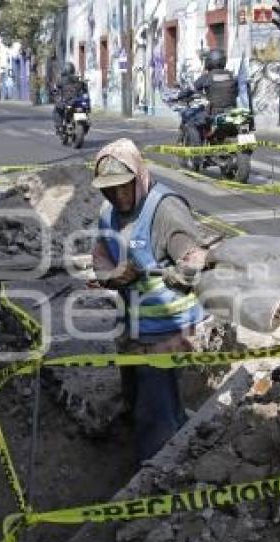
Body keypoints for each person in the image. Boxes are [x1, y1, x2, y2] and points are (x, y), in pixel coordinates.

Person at [90, 138, 213, 462]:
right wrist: (112, 274)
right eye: (110, 189)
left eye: (123, 187)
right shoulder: (108, 213)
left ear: (138, 177)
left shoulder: (165, 208)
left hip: (169, 332)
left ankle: (156, 475)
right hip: (133, 330)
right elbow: (100, 258)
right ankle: (182, 446)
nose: (118, 196)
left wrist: (183, 270)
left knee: (153, 413)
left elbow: (194, 256)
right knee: (139, 400)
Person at [176, 48, 239, 141]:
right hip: (231, 113)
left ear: (209, 62)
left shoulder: (207, 77)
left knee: (190, 118)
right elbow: (236, 92)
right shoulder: (232, 76)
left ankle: (196, 150)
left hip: (213, 114)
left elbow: (191, 89)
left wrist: (180, 95)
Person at [52, 62, 87, 133]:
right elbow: (84, 89)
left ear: (65, 69)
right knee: (84, 110)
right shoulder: (78, 79)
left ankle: (59, 126)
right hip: (76, 101)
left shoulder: (60, 80)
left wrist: (54, 94)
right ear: (73, 69)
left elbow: (55, 90)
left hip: (66, 102)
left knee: (56, 111)